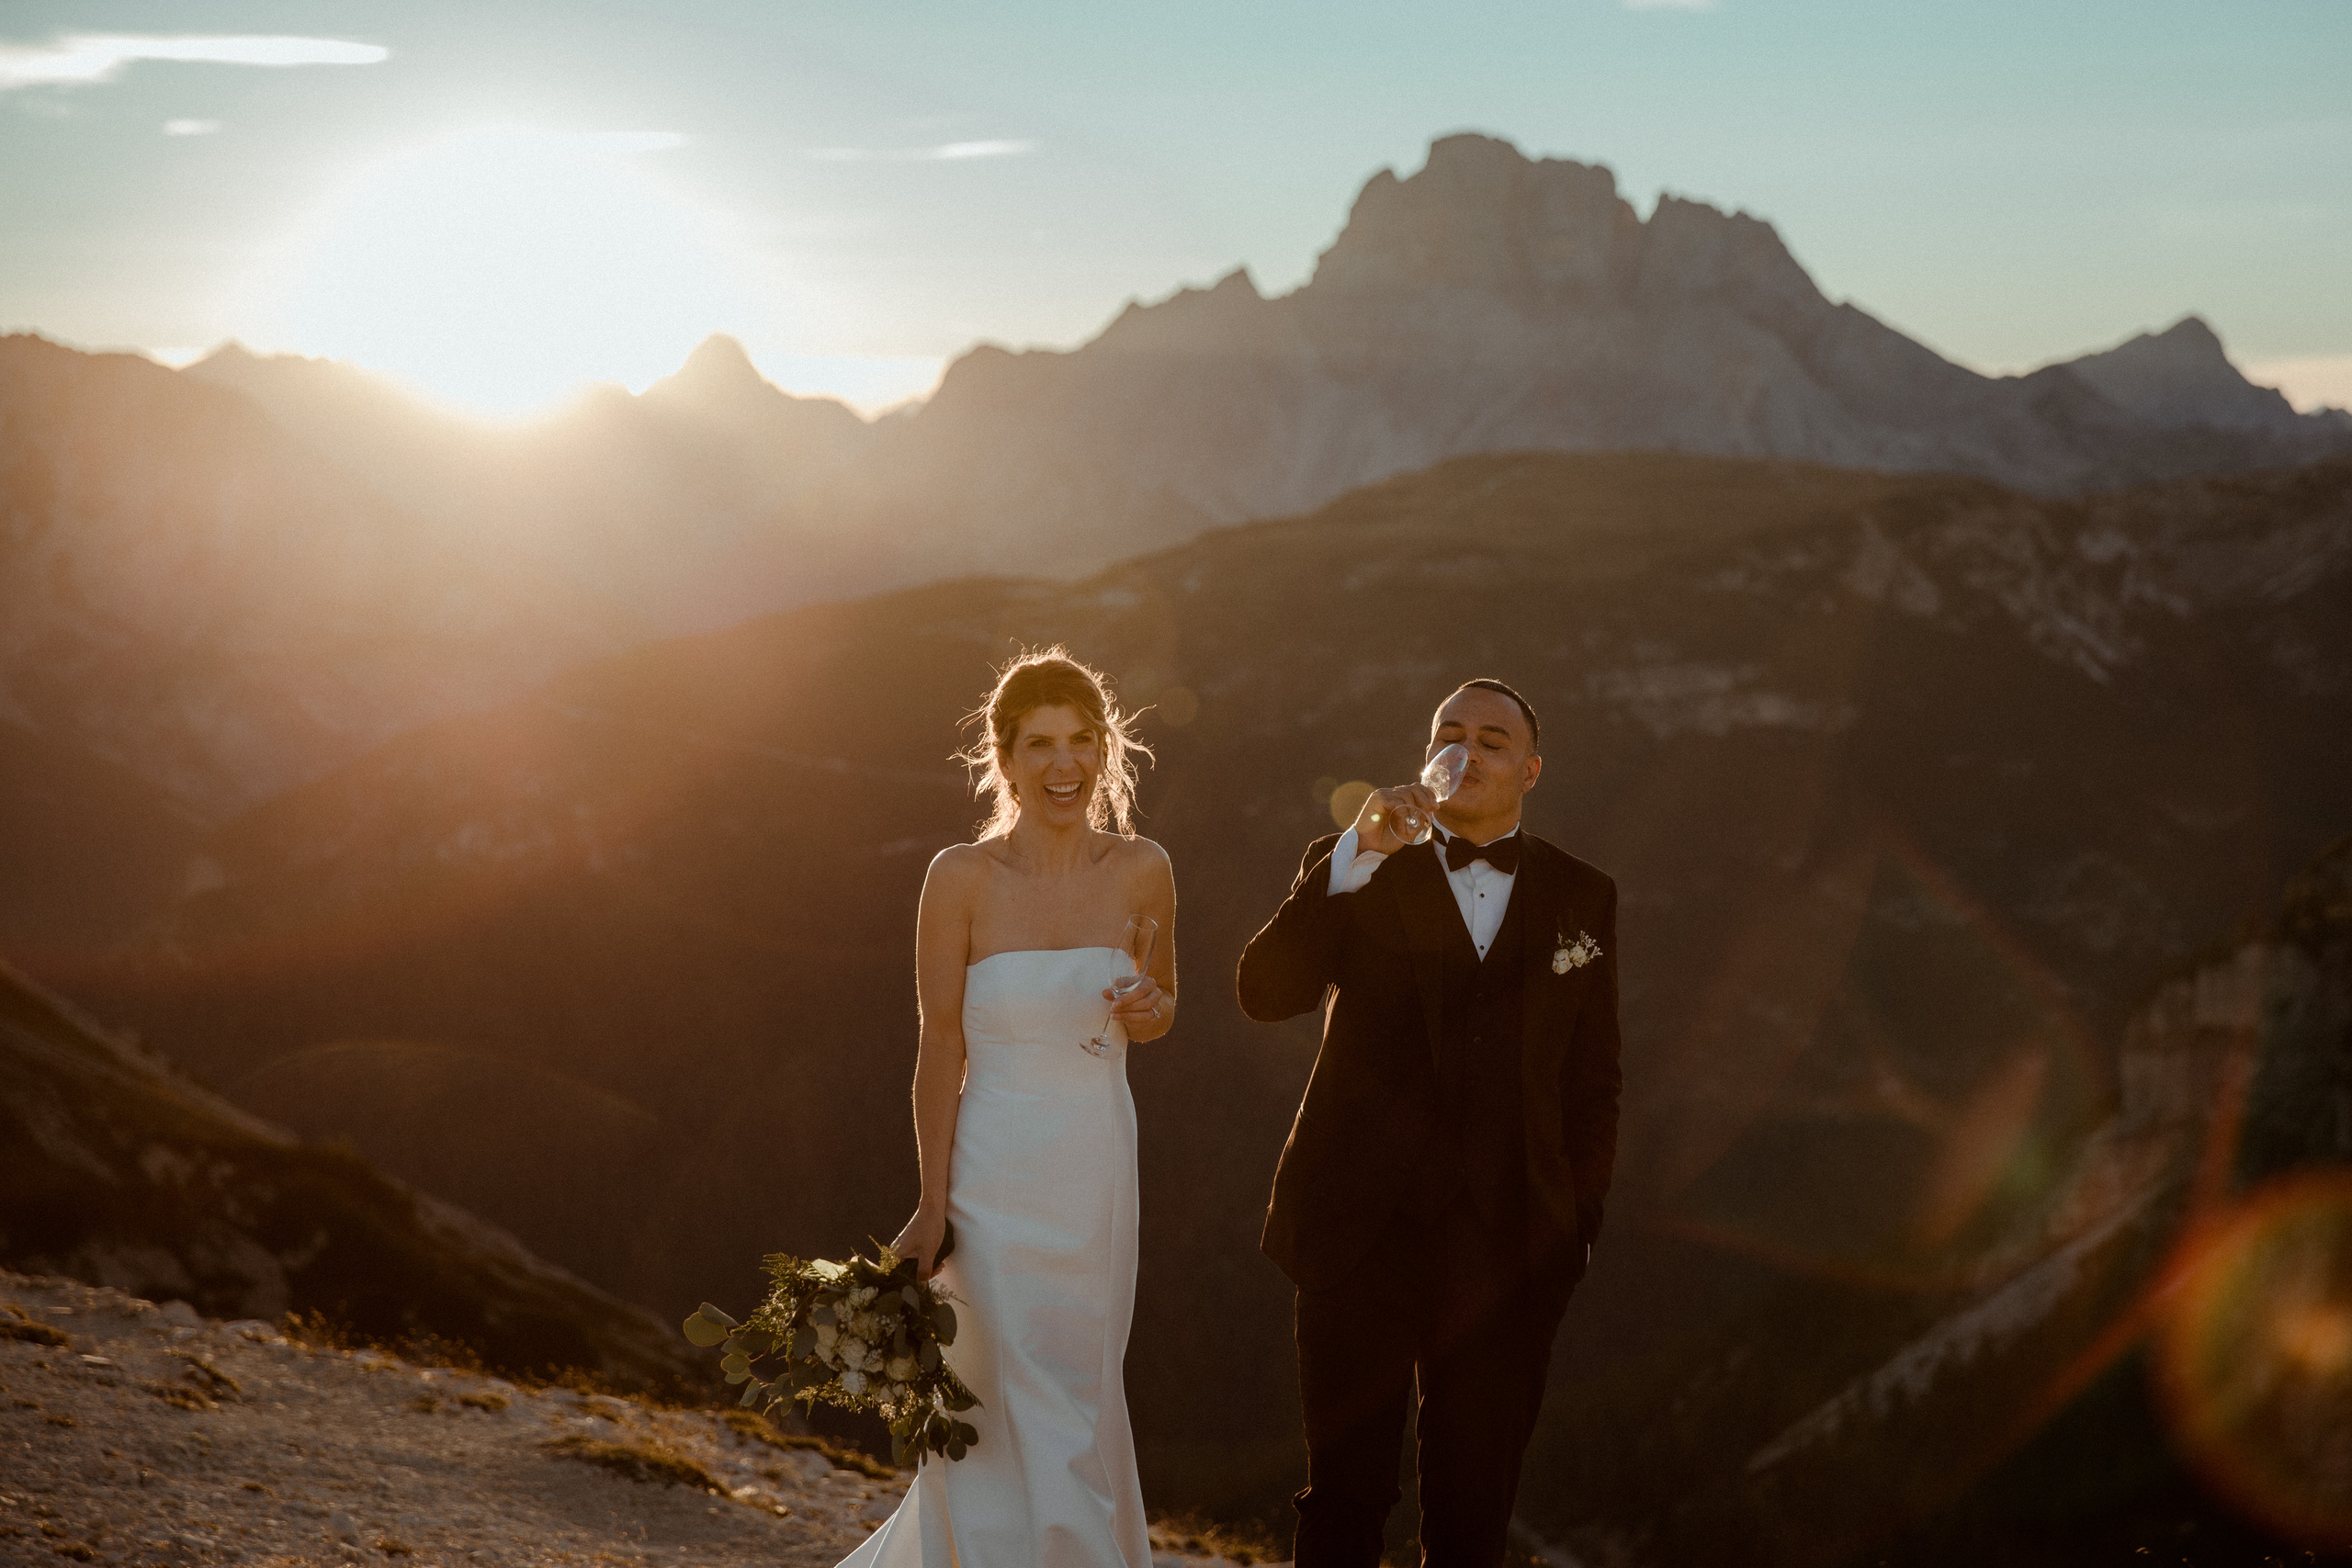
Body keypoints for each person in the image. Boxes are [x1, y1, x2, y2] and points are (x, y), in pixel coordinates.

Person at [1237, 679, 1622, 1568]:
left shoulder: (1582, 896)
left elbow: (1592, 1079)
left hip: (1509, 1245)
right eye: (1452, 733)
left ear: (1529, 769)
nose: (1469, 751)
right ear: (1426, 754)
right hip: (1355, 1230)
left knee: (1471, 1513)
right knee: (1345, 1495)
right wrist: (1352, 856)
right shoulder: (1357, 864)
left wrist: (1572, 1227)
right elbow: (1265, 993)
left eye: (1493, 739)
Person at [846, 648, 1178, 1568]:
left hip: (1095, 1163)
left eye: (1080, 741)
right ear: (1004, 758)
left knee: (1074, 1381)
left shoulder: (1146, 869)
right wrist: (930, 1200)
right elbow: (940, 1044)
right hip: (990, 1166)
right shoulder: (960, 877)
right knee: (993, 1390)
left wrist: (1149, 1012)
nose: (1062, 763)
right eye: (1039, 744)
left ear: (1106, 751)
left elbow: (1160, 1006)